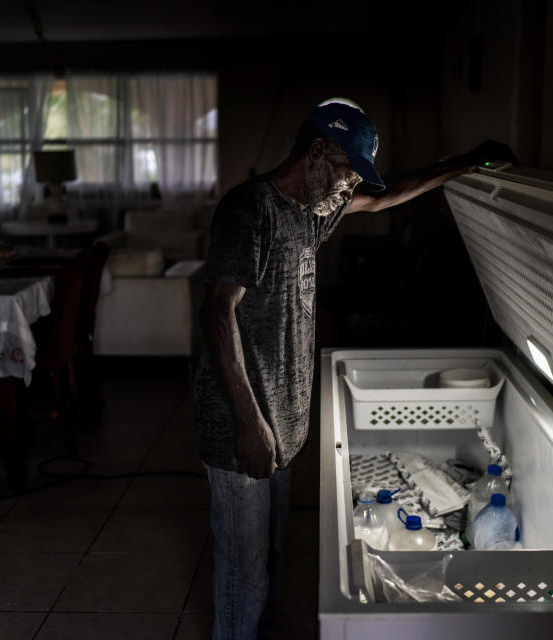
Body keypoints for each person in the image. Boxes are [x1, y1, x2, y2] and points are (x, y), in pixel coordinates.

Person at [193, 100, 515, 640]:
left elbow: (387, 194)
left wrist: (463, 163)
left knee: (271, 555)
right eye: (347, 173)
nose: (349, 189)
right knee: (243, 570)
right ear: (317, 151)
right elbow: (217, 312)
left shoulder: (312, 211)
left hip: (283, 421)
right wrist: (251, 424)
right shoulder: (250, 210)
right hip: (241, 425)